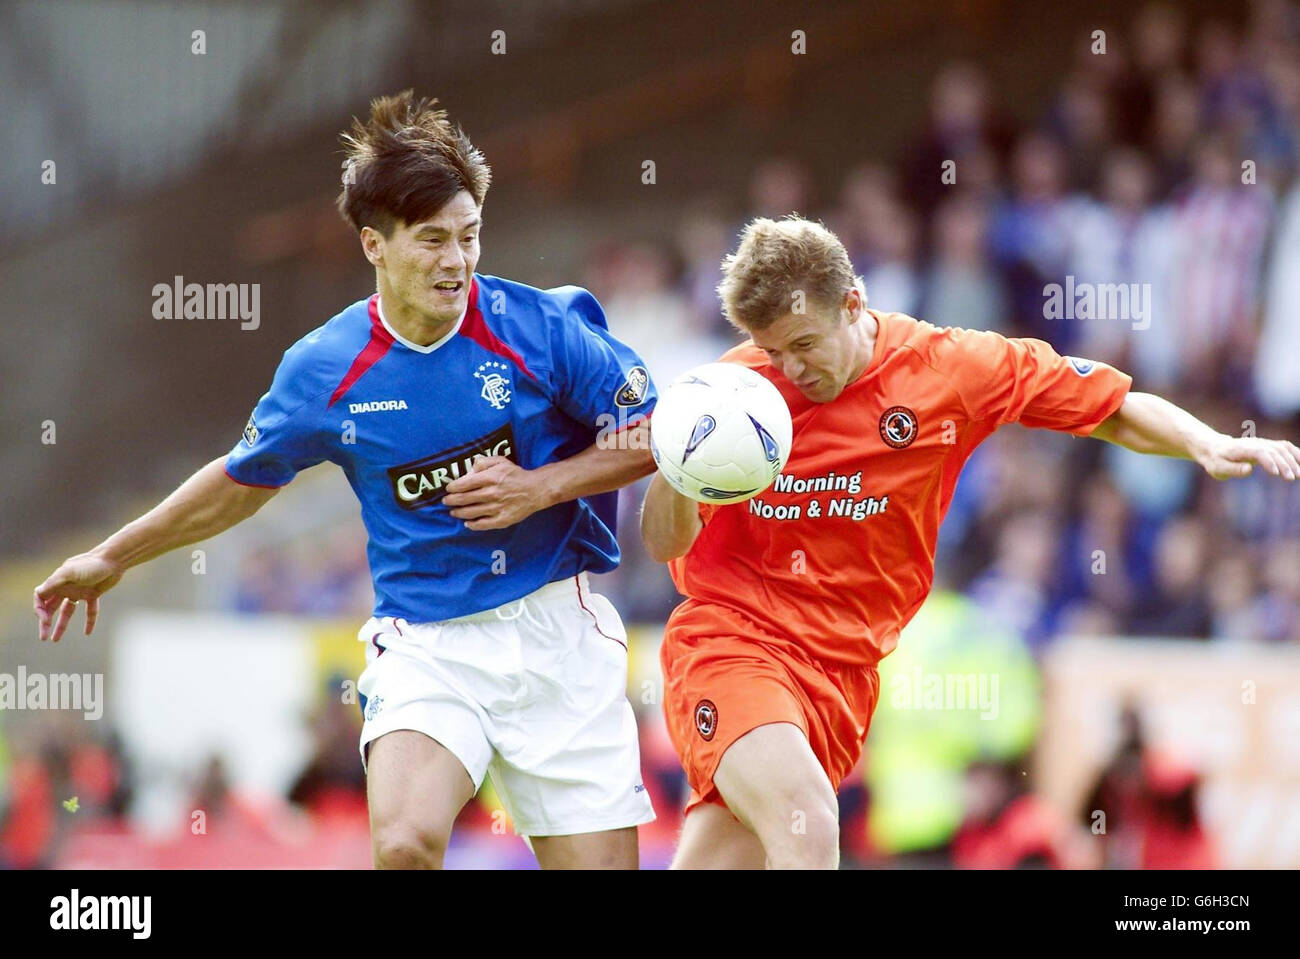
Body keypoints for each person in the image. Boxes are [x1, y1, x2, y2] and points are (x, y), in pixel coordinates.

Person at [34, 91, 659, 870]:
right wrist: (113, 556)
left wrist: (541, 487)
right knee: (402, 842)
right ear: (374, 245)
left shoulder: (540, 327)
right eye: (432, 240)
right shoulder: (325, 369)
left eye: (469, 237)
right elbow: (240, 478)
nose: (457, 261)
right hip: (428, 644)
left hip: (556, 633)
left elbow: (654, 434)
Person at [640, 215, 1300, 869]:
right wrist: (677, 464)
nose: (788, 366)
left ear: (852, 302)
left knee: (726, 857)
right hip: (734, 644)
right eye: (772, 348)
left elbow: (1107, 405)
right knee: (807, 820)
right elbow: (661, 541)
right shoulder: (733, 396)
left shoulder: (948, 370)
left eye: (803, 343)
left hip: (840, 675)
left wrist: (1205, 442)